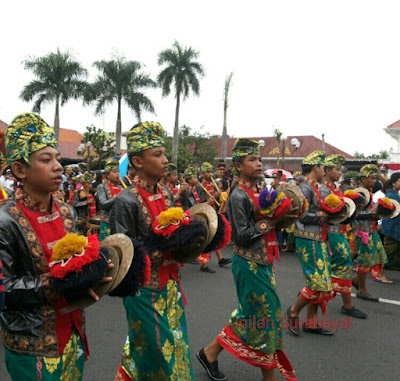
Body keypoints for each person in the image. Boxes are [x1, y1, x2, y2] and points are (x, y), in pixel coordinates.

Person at [0, 112, 109, 380]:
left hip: (73, 332)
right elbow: (5, 290)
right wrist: (60, 283)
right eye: (46, 160)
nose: (58, 166)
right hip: (33, 345)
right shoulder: (5, 222)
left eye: (58, 159)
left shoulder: (66, 211)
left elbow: (77, 259)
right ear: (20, 170)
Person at [197, 138, 297, 381]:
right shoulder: (238, 195)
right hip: (248, 262)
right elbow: (240, 237)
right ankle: (268, 375)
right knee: (263, 317)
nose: (259, 164)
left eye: (260, 159)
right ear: (239, 166)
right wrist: (271, 221)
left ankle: (210, 352)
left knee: (256, 315)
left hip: (264, 260)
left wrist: (285, 214)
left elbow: (267, 222)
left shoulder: (260, 190)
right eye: (252, 160)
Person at [110, 121, 198, 380]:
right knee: (160, 355)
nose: (165, 160)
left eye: (164, 154)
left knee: (174, 347)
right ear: (137, 161)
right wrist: (165, 245)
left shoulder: (168, 194)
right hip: (144, 290)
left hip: (171, 285)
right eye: (157, 155)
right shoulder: (126, 201)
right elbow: (126, 257)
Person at [286, 151, 335, 336]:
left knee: (321, 282)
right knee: (317, 282)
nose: (324, 170)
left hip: (318, 238)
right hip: (308, 239)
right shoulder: (305, 188)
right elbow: (302, 215)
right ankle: (293, 311)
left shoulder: (314, 187)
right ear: (316, 168)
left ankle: (312, 322)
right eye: (323, 167)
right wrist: (323, 216)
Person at [320, 155, 366, 318]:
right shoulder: (324, 190)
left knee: (339, 265)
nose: (340, 172)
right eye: (337, 169)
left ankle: (313, 295)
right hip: (332, 232)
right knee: (343, 263)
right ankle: (346, 304)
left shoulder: (335, 189)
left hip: (339, 231)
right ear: (327, 171)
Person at [352, 164, 388, 301]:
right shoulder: (358, 193)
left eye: (375, 178)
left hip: (371, 229)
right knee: (365, 260)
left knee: (379, 257)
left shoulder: (368, 191)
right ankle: (362, 289)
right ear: (363, 179)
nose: (374, 181)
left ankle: (357, 280)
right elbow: (353, 214)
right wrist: (372, 214)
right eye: (371, 178)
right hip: (362, 231)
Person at [97, 158, 123, 240]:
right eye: (114, 172)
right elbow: (103, 204)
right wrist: (117, 197)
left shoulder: (122, 188)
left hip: (120, 223)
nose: (118, 174)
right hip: (107, 222)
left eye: (118, 172)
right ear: (107, 175)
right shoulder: (102, 187)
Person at [380, 173, 400, 271]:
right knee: (389, 251)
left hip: (395, 226)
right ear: (393, 183)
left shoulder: (394, 194)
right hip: (391, 226)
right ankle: (379, 271)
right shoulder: (391, 195)